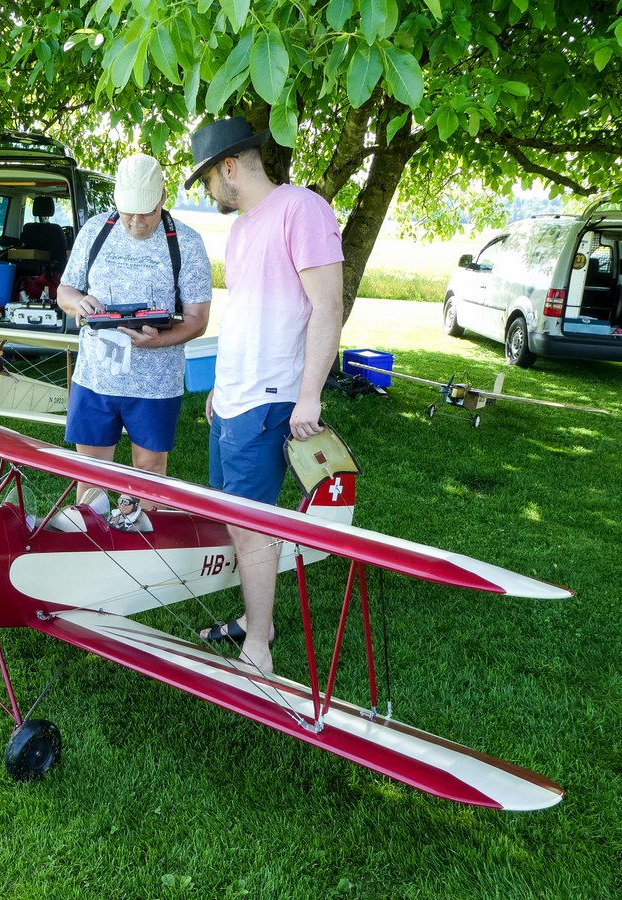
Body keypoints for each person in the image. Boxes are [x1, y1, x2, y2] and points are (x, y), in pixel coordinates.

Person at [184, 117, 344, 673]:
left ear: (229, 167)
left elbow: (327, 306)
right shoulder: (243, 226)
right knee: (232, 516)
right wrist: (219, 385)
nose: (208, 191)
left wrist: (310, 397)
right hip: (232, 397)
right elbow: (245, 313)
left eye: (206, 178)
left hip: (271, 398)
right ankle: (259, 620)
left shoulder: (303, 209)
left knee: (253, 524)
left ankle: (258, 651)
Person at [57, 153, 212, 518]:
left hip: (155, 384)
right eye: (128, 211)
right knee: (91, 475)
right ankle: (91, 545)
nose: (137, 221)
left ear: (162, 197)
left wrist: (156, 340)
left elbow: (198, 319)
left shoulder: (186, 243)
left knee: (150, 475)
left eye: (146, 211)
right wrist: (78, 303)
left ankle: (144, 548)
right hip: (96, 377)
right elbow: (65, 290)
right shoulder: (95, 230)